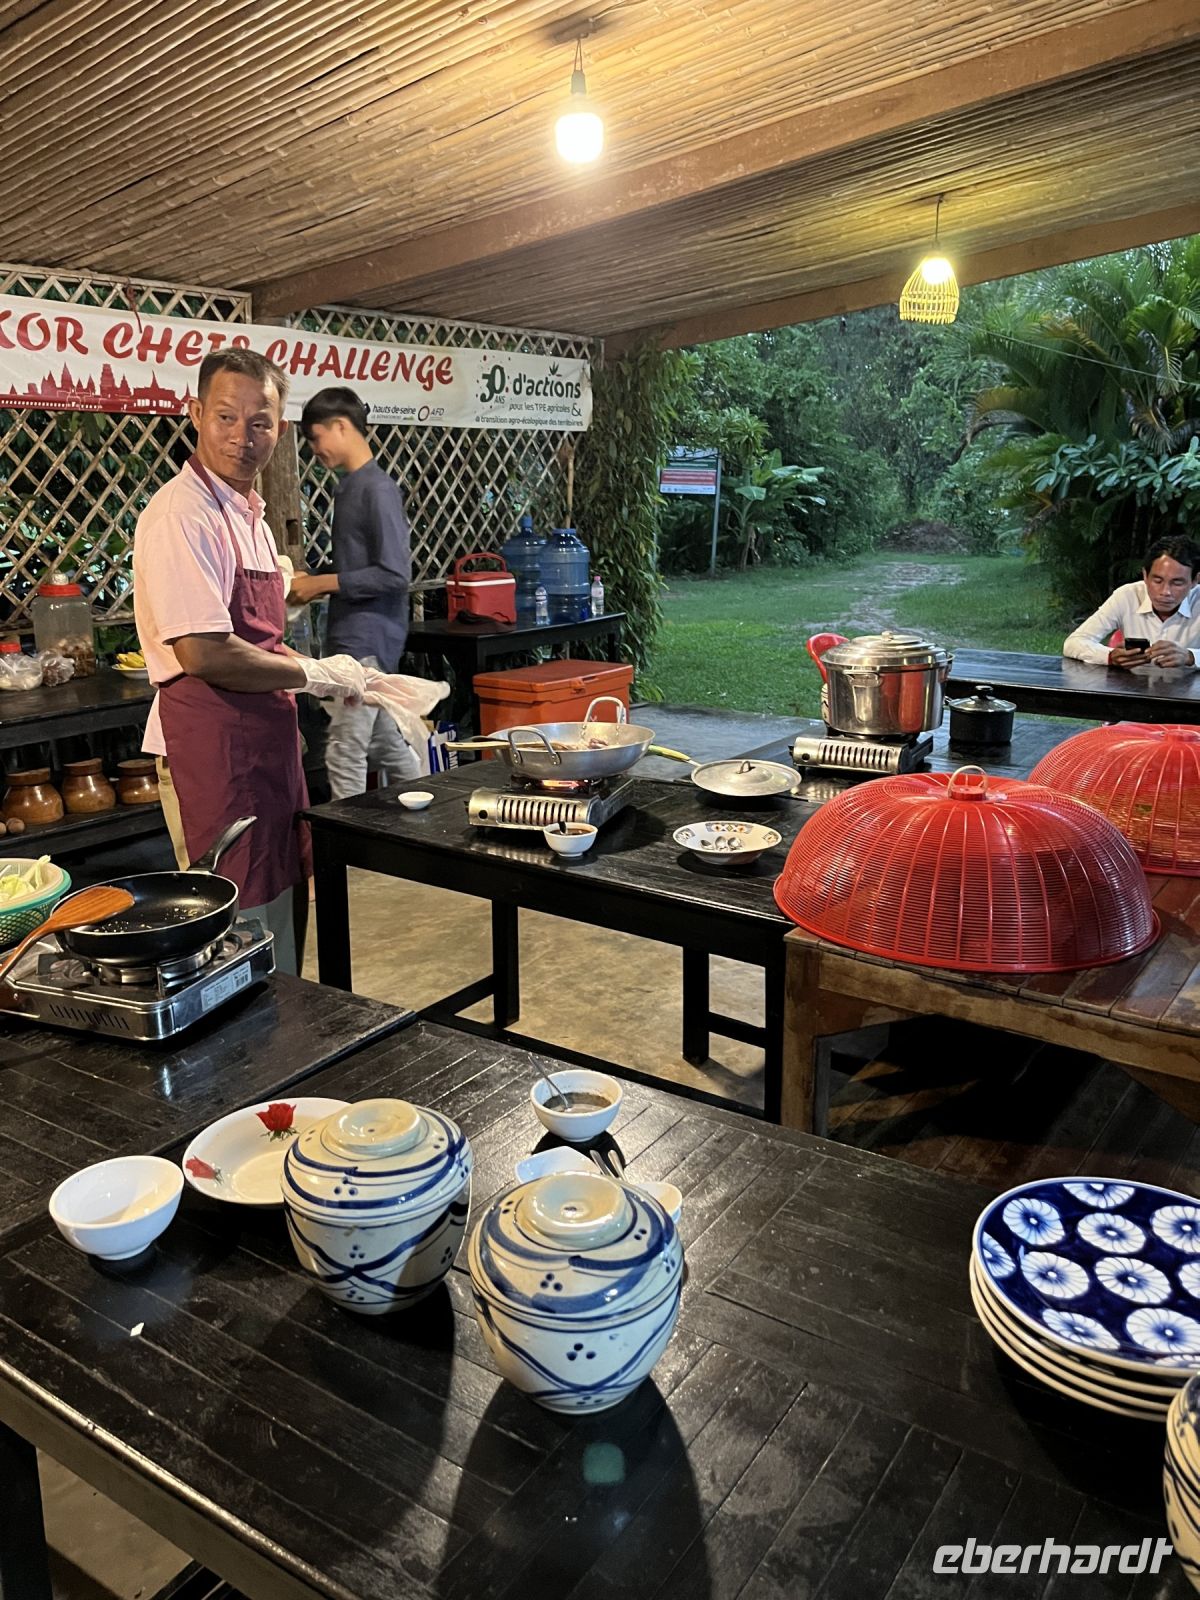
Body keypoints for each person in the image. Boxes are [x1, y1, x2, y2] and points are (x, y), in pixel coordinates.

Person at [133, 348, 351, 974]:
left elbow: (257, 634)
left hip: (267, 743)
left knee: (282, 901)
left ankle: (285, 1033)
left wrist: (341, 677)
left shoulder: (247, 513)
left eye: (260, 423)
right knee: (233, 922)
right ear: (196, 413)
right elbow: (203, 651)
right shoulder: (184, 514)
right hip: (213, 747)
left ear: (280, 429)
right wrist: (313, 673)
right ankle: (249, 1059)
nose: (242, 436)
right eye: (226, 417)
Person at [291, 387, 421, 798]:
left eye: (315, 437)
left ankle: (344, 852)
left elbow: (395, 575)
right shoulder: (350, 487)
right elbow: (358, 568)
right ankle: (428, 821)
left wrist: (322, 583)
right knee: (386, 745)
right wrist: (311, 579)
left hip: (366, 642)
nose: (314, 449)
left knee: (345, 752)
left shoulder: (377, 489)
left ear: (341, 426)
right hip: (356, 637)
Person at [1063, 537, 1200, 670]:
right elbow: (1074, 642)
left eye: (1177, 583)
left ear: (1195, 580)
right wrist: (1110, 656)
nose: (1165, 592)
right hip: (1132, 690)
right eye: (1157, 581)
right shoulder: (1127, 596)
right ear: (1145, 576)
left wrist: (1191, 657)